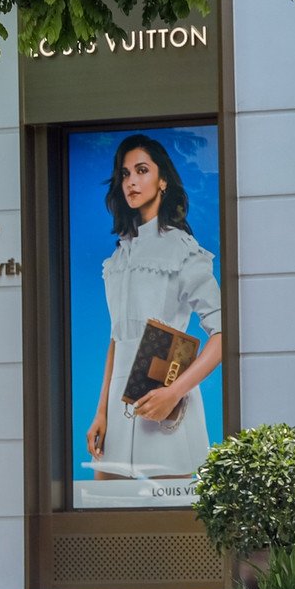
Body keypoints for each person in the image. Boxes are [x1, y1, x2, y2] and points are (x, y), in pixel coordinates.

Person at [83, 133, 223, 489]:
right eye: (125, 174)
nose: (131, 181)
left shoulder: (183, 250)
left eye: (142, 170)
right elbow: (117, 339)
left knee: (169, 519)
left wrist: (173, 393)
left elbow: (224, 333)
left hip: (165, 405)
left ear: (163, 181)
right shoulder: (118, 259)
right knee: (106, 521)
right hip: (118, 409)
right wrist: (101, 412)